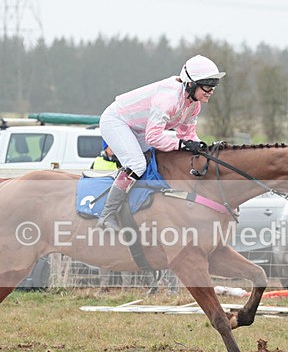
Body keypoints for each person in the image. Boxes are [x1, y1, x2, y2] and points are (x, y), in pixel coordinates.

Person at [96, 54, 224, 230]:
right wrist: (181, 144)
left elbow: (187, 135)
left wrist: (204, 148)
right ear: (191, 84)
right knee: (137, 164)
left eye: (213, 88)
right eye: (207, 88)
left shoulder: (194, 104)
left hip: (138, 127)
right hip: (117, 121)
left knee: (158, 160)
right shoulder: (168, 99)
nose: (211, 92)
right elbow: (153, 137)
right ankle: (107, 215)